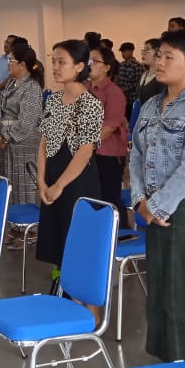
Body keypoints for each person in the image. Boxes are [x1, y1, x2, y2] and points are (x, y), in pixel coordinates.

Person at [130, 29, 185, 362]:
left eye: (170, 57)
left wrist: (158, 205)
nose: (160, 61)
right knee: (163, 288)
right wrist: (141, 200)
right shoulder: (152, 105)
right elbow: (136, 153)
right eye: (160, 55)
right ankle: (167, 359)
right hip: (154, 208)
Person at [36, 40, 104, 272]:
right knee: (56, 241)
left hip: (77, 181)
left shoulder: (90, 104)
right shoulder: (53, 99)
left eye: (61, 62)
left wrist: (59, 185)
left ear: (79, 66)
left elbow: (85, 151)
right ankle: (60, 285)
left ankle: (76, 292)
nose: (55, 67)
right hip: (52, 174)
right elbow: (44, 142)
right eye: (53, 61)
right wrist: (42, 180)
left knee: (75, 240)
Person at [0, 42, 44, 246]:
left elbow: (28, 120)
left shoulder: (31, 87)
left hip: (23, 143)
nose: (8, 64)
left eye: (11, 61)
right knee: (10, 184)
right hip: (6, 142)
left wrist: (6, 136)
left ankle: (29, 231)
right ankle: (15, 226)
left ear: (22, 64)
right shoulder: (11, 84)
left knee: (24, 186)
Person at [86, 45, 129, 226]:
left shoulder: (114, 93)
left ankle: (120, 235)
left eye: (95, 61)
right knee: (92, 196)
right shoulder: (85, 89)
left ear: (107, 67)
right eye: (88, 61)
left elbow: (109, 128)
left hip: (109, 154)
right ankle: (99, 237)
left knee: (110, 197)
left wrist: (84, 144)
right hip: (89, 152)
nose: (90, 65)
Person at [116, 42, 143, 118]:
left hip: (132, 100)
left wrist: (125, 89)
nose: (122, 54)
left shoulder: (137, 66)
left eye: (124, 51)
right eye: (121, 52)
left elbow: (139, 83)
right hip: (121, 99)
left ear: (131, 51)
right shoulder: (121, 65)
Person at [137, 37, 164, 104]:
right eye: (143, 50)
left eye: (147, 50)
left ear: (158, 53)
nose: (143, 53)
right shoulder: (144, 74)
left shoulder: (161, 78)